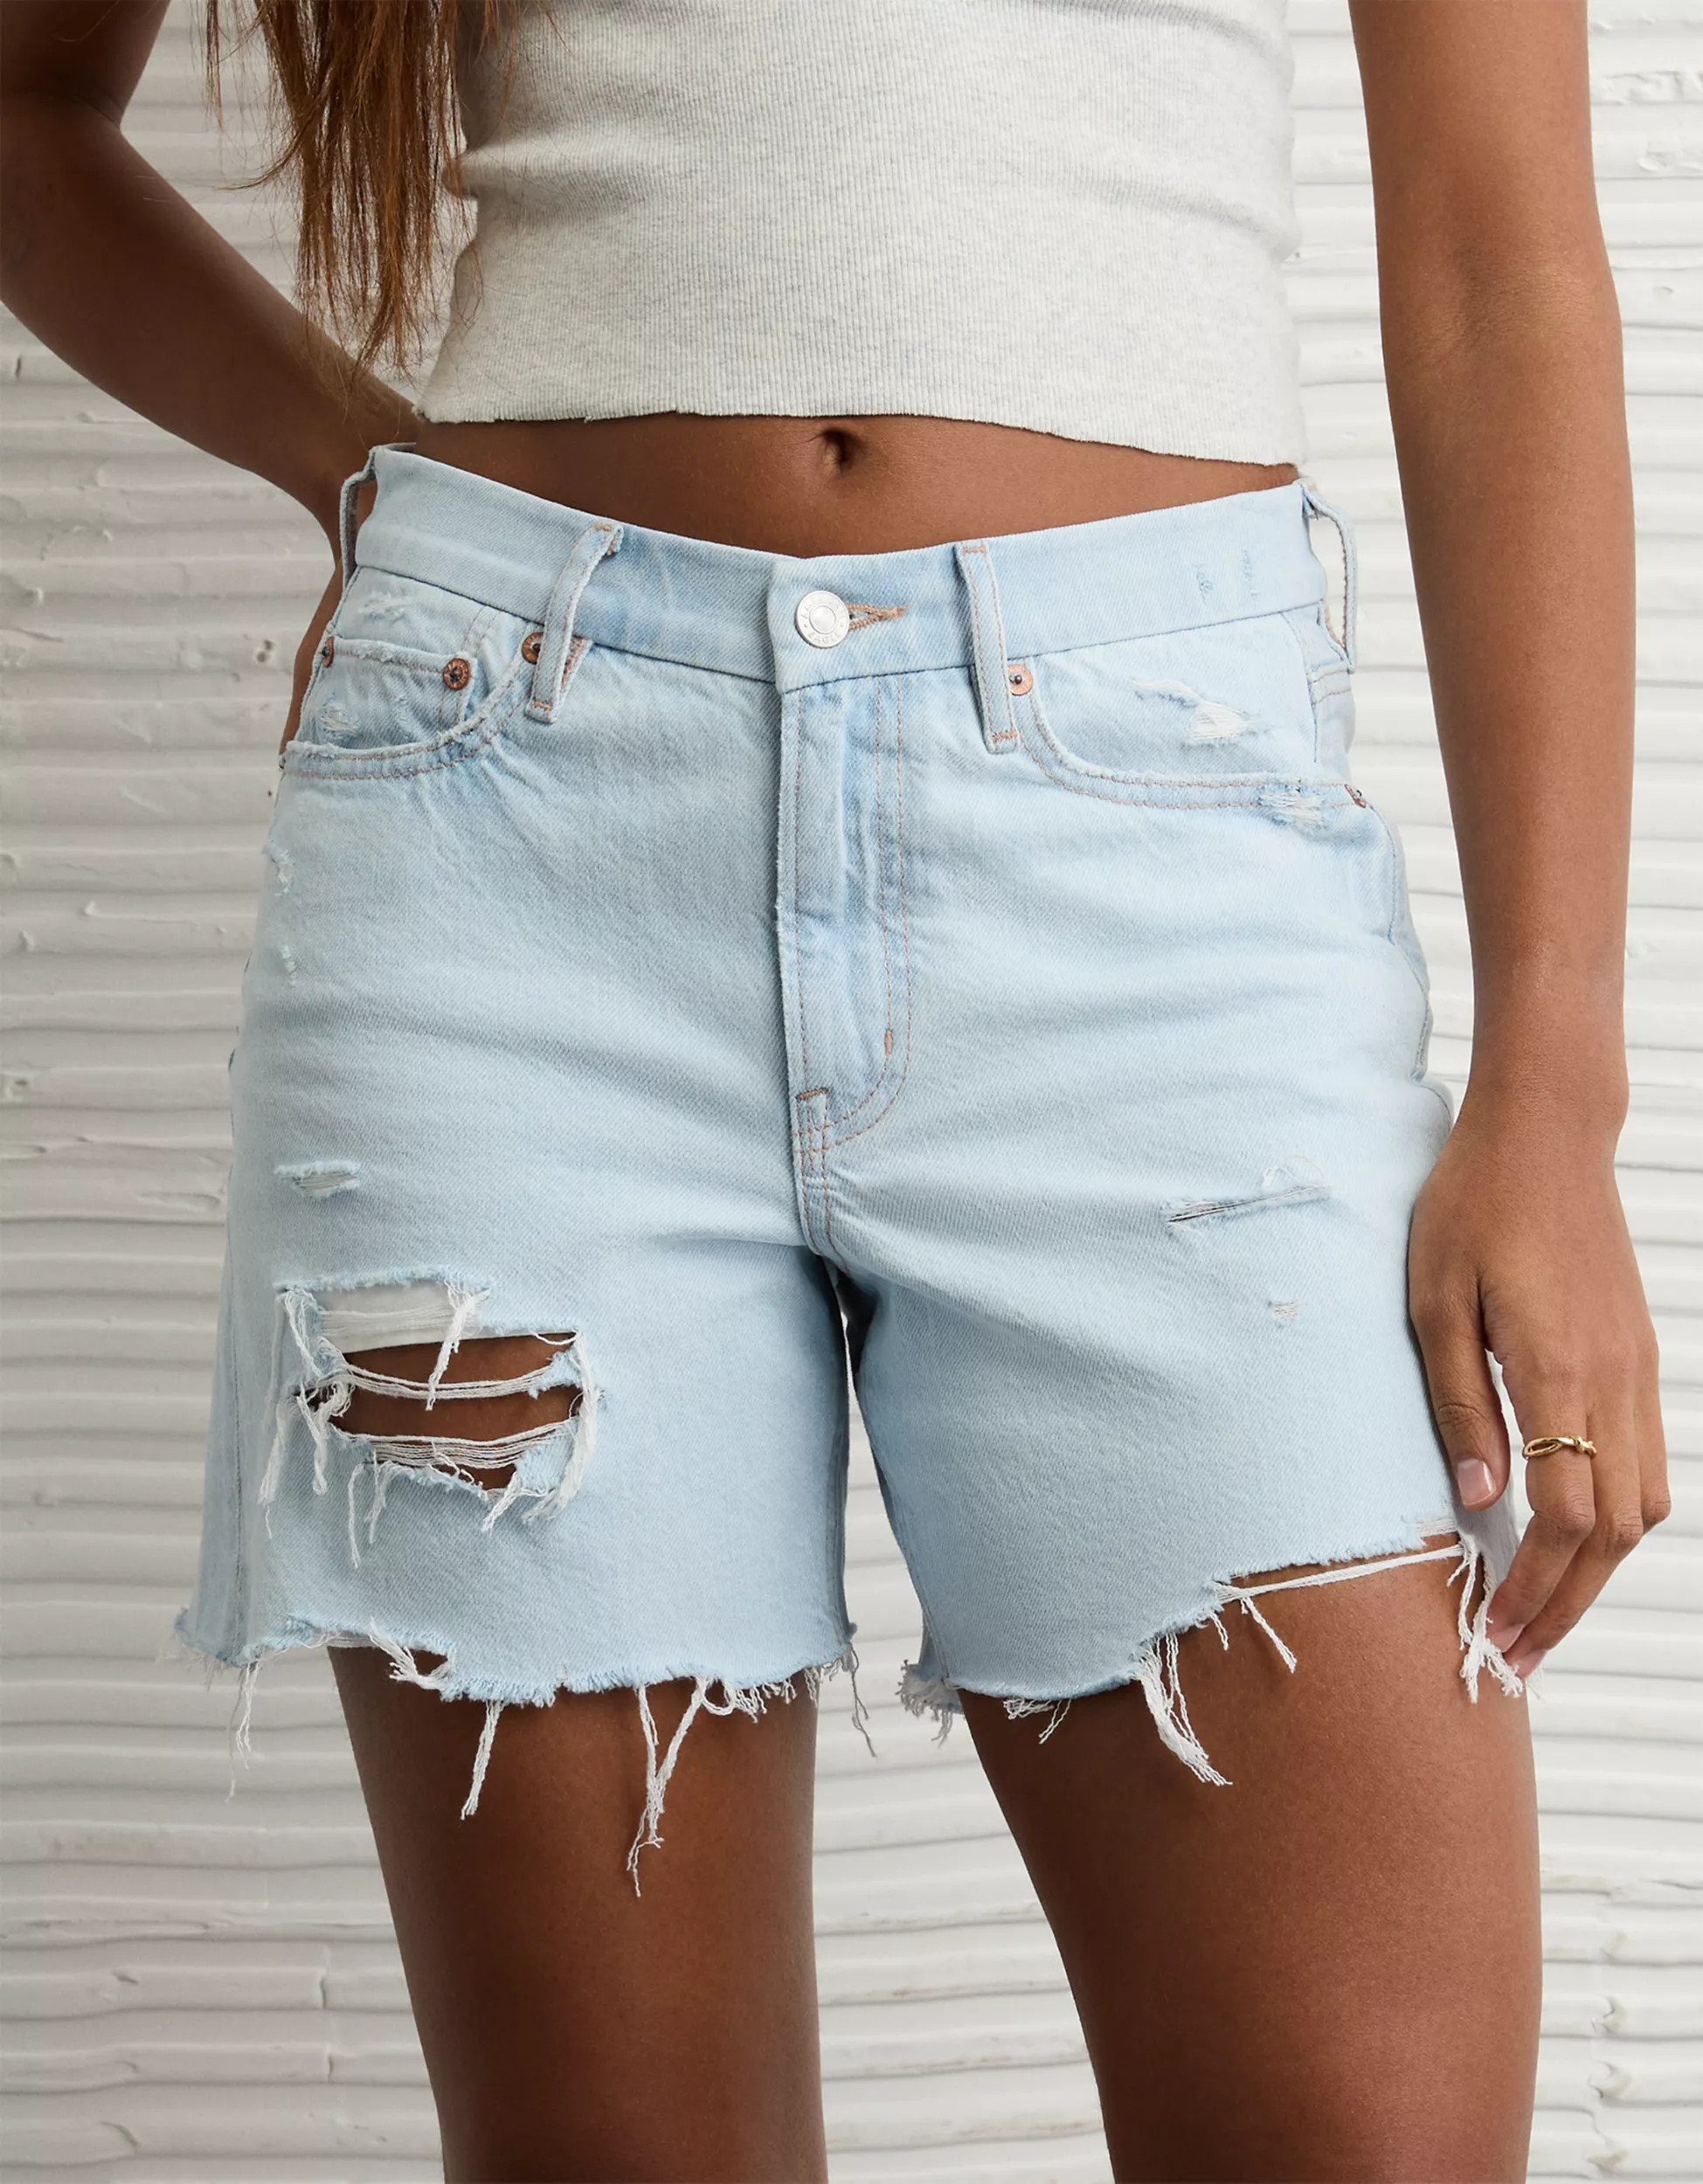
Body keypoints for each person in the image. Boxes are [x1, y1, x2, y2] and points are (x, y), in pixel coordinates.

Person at [3, 2, 1670, 2177]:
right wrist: (359, 466)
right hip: (512, 864)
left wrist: (1557, 1080)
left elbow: (1499, 271)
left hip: (1158, 874)